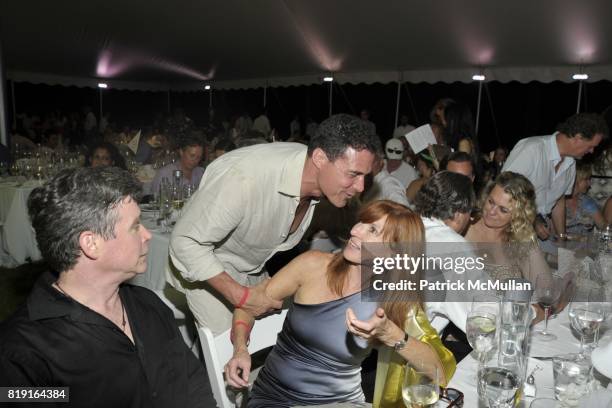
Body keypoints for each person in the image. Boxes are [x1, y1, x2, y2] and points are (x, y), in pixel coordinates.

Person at [0, 167, 207, 407]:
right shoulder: (22, 352)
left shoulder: (147, 305)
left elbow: (192, 381)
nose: (147, 234)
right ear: (91, 244)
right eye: (134, 226)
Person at [225, 200, 455, 407]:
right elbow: (247, 305)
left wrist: (391, 334)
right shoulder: (313, 265)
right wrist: (240, 350)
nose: (355, 231)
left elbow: (439, 375)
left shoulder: (394, 299)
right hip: (276, 398)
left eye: (372, 230)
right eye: (362, 223)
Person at [169, 114, 380, 335]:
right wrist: (241, 296)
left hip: (253, 267)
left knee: (277, 341)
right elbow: (185, 242)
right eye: (353, 174)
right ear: (319, 158)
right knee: (230, 354)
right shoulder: (245, 179)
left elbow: (367, 240)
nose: (360, 187)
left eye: (365, 176)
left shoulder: (317, 176)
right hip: (208, 264)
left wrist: (404, 277)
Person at [502, 113, 608, 240]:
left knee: (571, 258)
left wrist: (562, 237)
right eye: (591, 146)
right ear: (578, 138)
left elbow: (559, 200)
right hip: (509, 227)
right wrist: (534, 219)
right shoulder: (532, 149)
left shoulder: (570, 163)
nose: (591, 151)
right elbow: (504, 190)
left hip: (539, 231)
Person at [414, 171, 477, 333]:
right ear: (459, 212)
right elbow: (473, 321)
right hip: (417, 349)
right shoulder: (454, 247)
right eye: (471, 213)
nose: (470, 220)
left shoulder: (405, 224)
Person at [465, 172, 552, 283]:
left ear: (518, 215)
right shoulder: (465, 228)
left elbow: (545, 286)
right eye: (491, 201)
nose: (491, 211)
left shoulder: (519, 239)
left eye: (503, 210)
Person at [565, 162, 607, 234]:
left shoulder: (587, 201)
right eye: (586, 179)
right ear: (576, 179)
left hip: (587, 244)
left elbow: (604, 226)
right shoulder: (557, 202)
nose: (589, 183)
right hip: (560, 244)